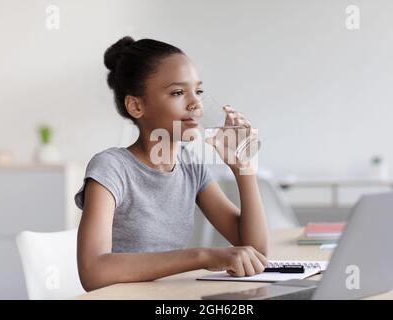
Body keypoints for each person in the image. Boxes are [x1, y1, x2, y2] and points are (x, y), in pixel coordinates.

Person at [74, 36, 269, 291]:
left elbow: (255, 252)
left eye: (198, 91)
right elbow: (93, 272)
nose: (195, 103)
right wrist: (203, 256)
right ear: (136, 105)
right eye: (178, 92)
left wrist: (243, 167)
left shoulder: (191, 166)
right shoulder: (111, 169)